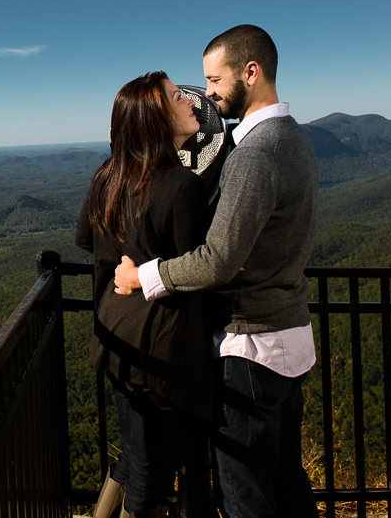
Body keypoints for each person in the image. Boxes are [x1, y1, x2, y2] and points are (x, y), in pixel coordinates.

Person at [114, 25, 320, 518]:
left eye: (213, 79)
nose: (204, 93)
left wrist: (145, 277)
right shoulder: (293, 138)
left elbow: (218, 260)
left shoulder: (255, 155)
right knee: (287, 483)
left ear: (251, 73)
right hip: (289, 336)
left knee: (244, 495)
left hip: (250, 349)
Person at [76, 71, 218, 518]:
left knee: (138, 453)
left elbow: (85, 237)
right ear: (157, 118)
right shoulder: (182, 187)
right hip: (162, 347)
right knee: (153, 471)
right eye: (179, 98)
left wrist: (130, 257)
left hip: (115, 334)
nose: (192, 102)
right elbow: (198, 269)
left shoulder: (108, 176)